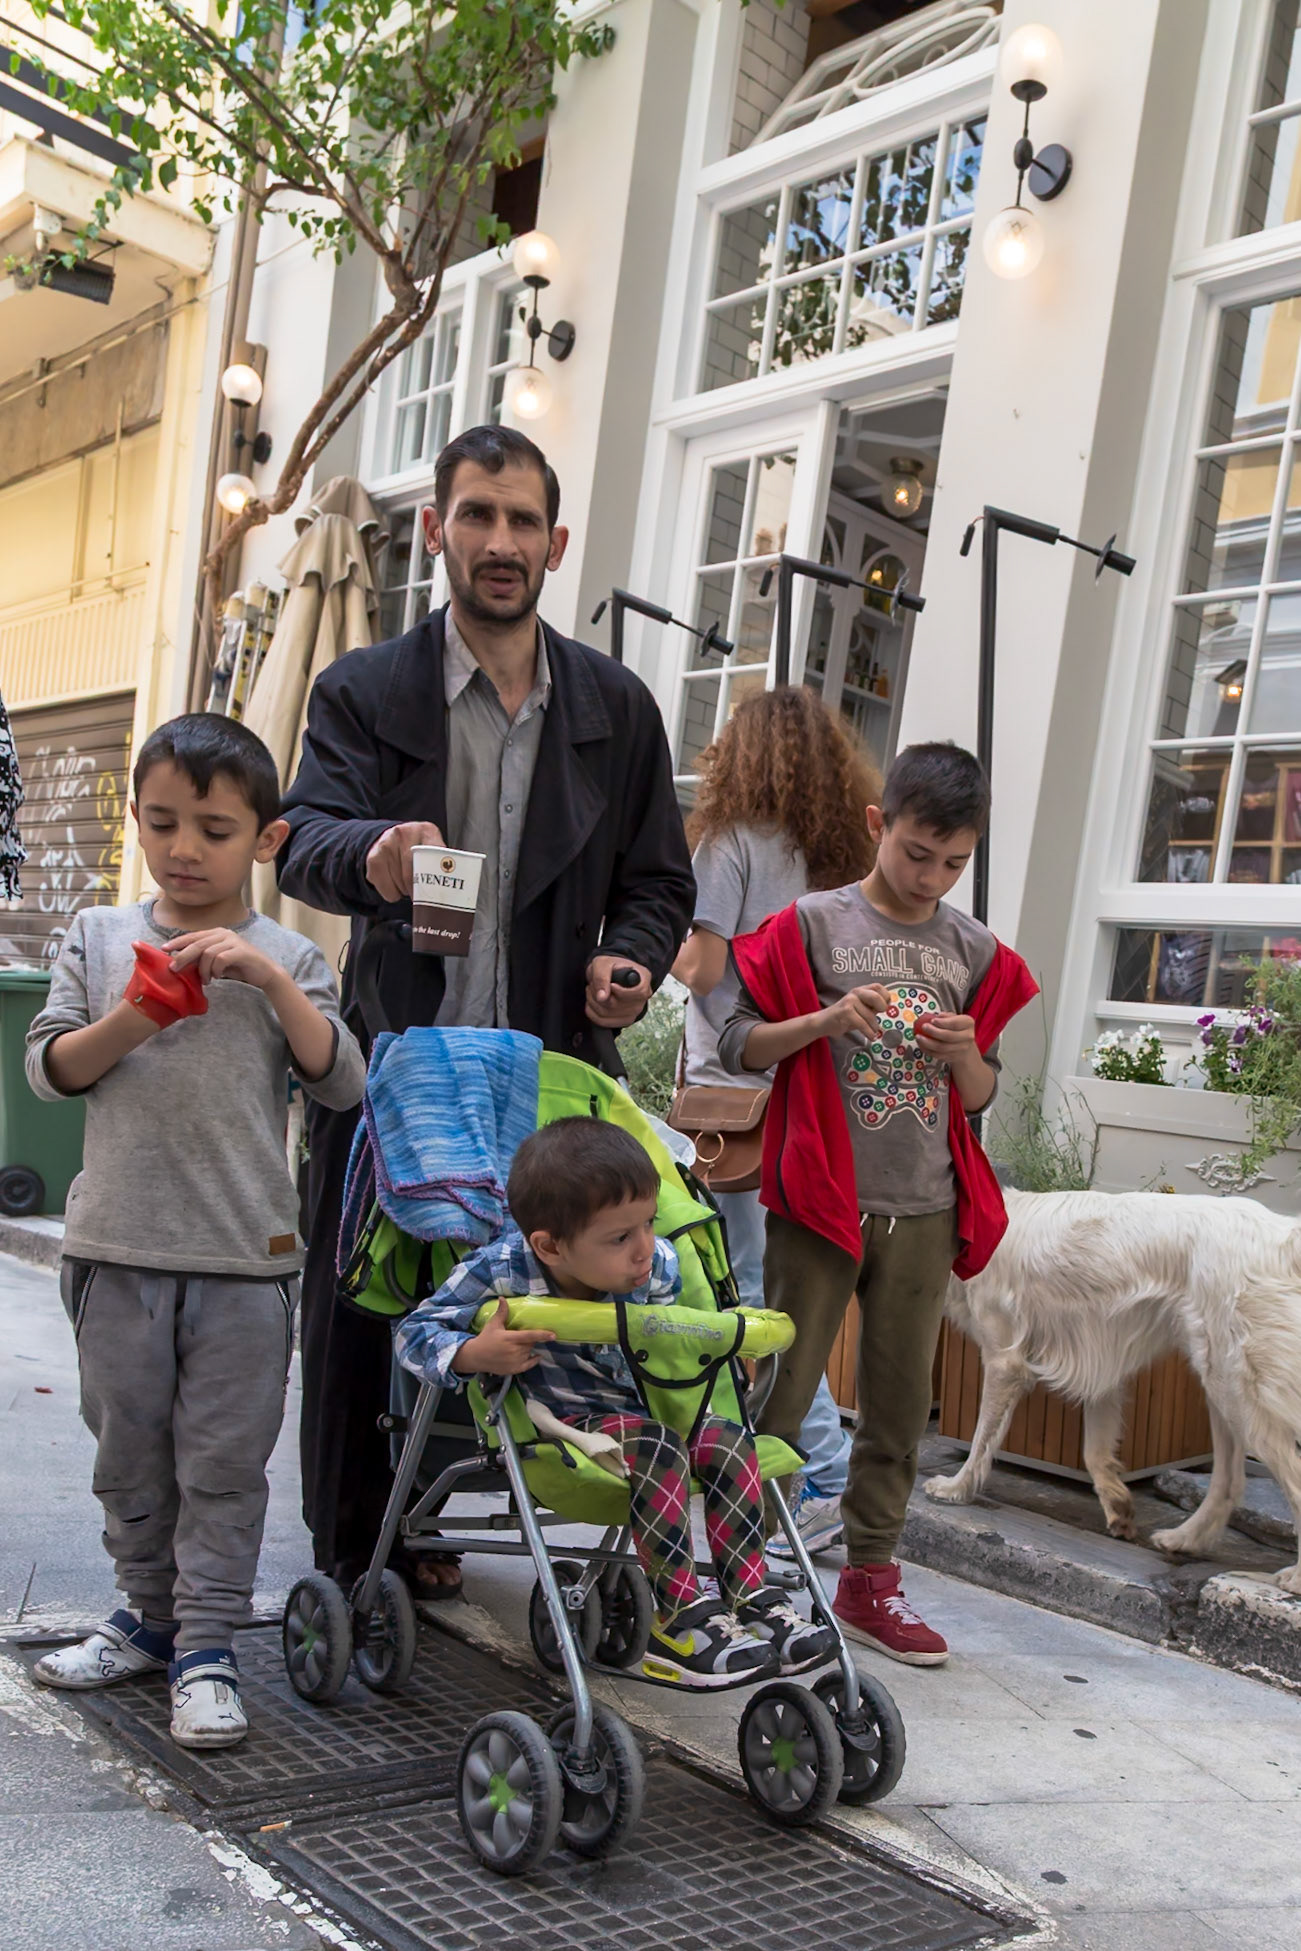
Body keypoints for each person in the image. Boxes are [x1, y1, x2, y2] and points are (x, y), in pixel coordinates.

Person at [276, 425, 695, 1598]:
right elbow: (301, 841)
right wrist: (375, 851)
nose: (499, 543)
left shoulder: (615, 706)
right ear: (436, 530)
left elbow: (660, 879)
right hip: (396, 1074)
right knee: (367, 1309)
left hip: (549, 1087)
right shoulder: (362, 691)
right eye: (477, 516)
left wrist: (632, 958)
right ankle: (357, 1547)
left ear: (556, 542)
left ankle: (440, 1512)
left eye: (522, 521)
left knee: (525, 1307)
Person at [25, 714, 366, 1747]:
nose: (184, 848)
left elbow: (341, 1079)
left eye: (214, 829)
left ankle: (208, 1644)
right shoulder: (94, 935)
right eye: (163, 822)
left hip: (241, 1260)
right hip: (115, 1249)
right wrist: (142, 1007)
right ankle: (147, 1618)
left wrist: (262, 981)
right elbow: (50, 1071)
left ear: (265, 840)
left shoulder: (291, 956)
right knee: (128, 1456)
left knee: (223, 1462)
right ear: (135, 821)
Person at [720, 742, 1037, 1666]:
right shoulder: (810, 925)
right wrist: (824, 1020)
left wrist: (964, 1050)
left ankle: (868, 1580)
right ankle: (735, 1563)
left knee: (901, 1408)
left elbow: (976, 1097)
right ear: (878, 824)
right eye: (915, 852)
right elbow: (739, 1042)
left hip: (923, 1205)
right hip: (823, 1200)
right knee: (779, 1387)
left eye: (953, 863)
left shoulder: (973, 949)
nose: (931, 875)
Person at [394, 1117, 836, 1687]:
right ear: (550, 1246)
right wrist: (475, 1353)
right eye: (620, 1237)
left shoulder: (657, 1270)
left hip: (643, 1421)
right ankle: (676, 1620)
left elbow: (683, 1320)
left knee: (727, 1438)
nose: (645, 1249)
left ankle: (751, 1597)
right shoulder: (504, 1270)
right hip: (562, 1430)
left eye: (649, 1224)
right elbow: (414, 1331)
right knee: (657, 1445)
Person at [672, 686, 878, 1558]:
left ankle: (821, 1476)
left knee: (744, 1288)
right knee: (774, 1288)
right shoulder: (833, 854)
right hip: (808, 1095)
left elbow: (702, 962)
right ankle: (786, 1467)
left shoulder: (730, 844)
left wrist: (640, 940)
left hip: (734, 1086)